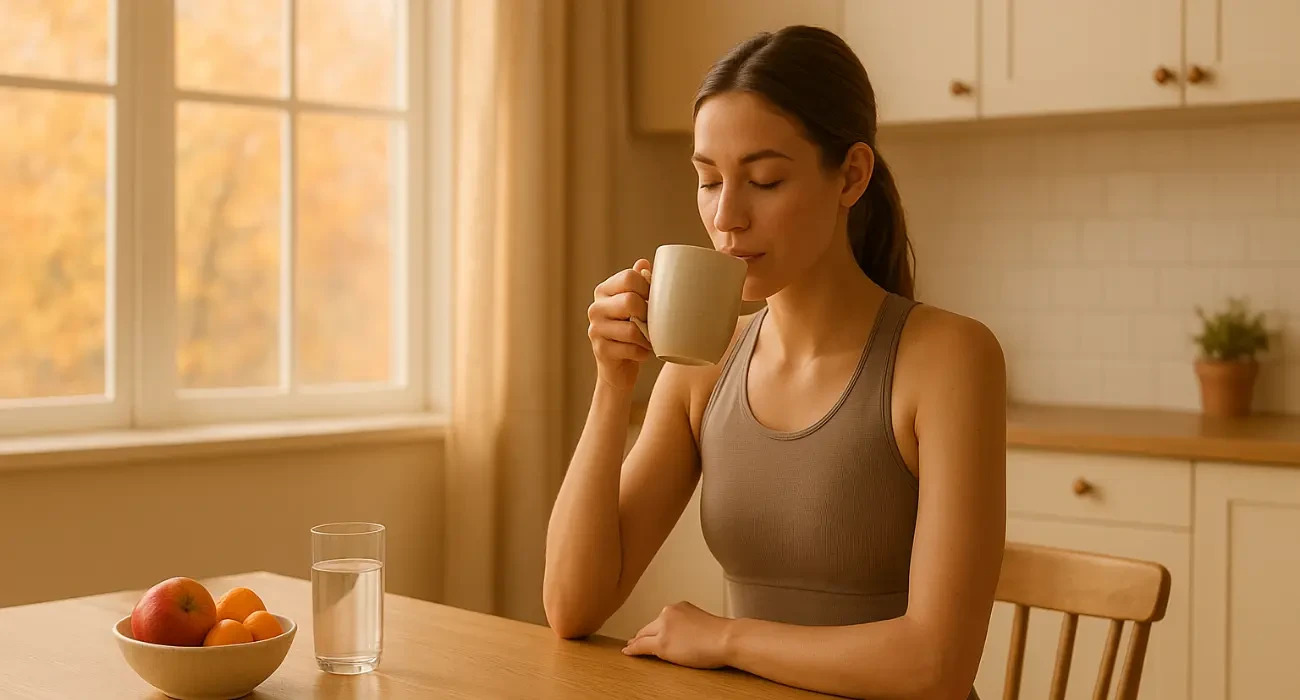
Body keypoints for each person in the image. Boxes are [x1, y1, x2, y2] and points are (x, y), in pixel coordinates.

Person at [544, 25, 1005, 700]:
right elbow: (571, 605)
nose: (726, 216)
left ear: (851, 175)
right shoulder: (705, 366)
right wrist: (612, 386)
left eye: (763, 180)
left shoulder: (949, 359)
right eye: (708, 180)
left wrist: (727, 638)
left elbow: (935, 666)